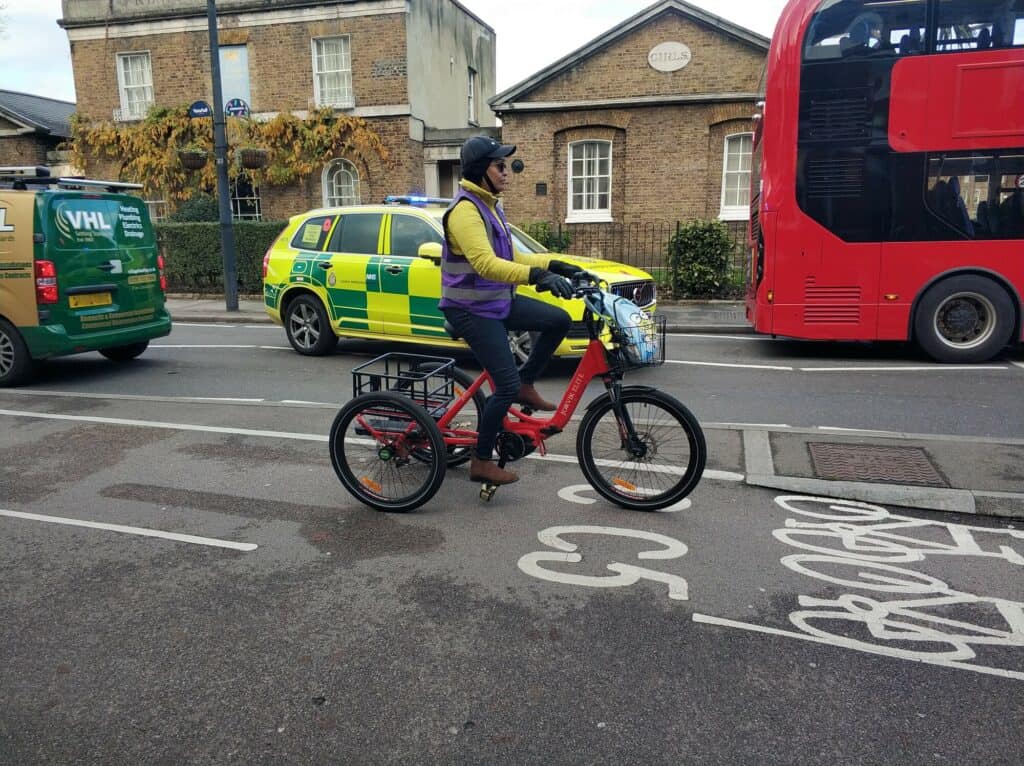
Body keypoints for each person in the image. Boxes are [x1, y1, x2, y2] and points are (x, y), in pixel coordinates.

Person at [440, 135, 581, 486]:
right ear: (480, 170)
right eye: (499, 165)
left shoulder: (492, 207)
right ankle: (481, 460)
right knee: (502, 387)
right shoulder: (465, 212)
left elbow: (513, 258)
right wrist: (537, 277)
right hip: (471, 310)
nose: (506, 171)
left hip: (497, 303)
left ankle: (526, 382)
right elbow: (487, 265)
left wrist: (556, 264)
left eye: (505, 165)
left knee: (558, 320)